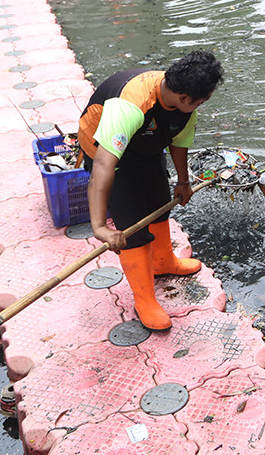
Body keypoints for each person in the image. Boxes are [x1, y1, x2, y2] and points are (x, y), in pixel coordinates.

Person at [77, 51, 224, 330]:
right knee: (132, 228)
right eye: (202, 101)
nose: (202, 105)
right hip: (107, 156)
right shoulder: (130, 105)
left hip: (146, 149)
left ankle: (163, 261)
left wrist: (183, 182)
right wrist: (99, 226)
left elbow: (179, 142)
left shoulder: (183, 106)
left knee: (159, 202)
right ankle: (144, 298)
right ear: (185, 98)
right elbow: (104, 167)